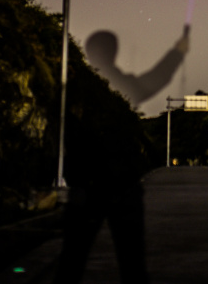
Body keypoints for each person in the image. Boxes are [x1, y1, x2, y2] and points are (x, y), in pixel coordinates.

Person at [55, 26, 190, 284]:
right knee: (132, 263)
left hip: (86, 185)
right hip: (122, 185)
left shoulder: (73, 85)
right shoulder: (122, 87)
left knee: (72, 260)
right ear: (113, 52)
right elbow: (157, 78)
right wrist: (177, 53)